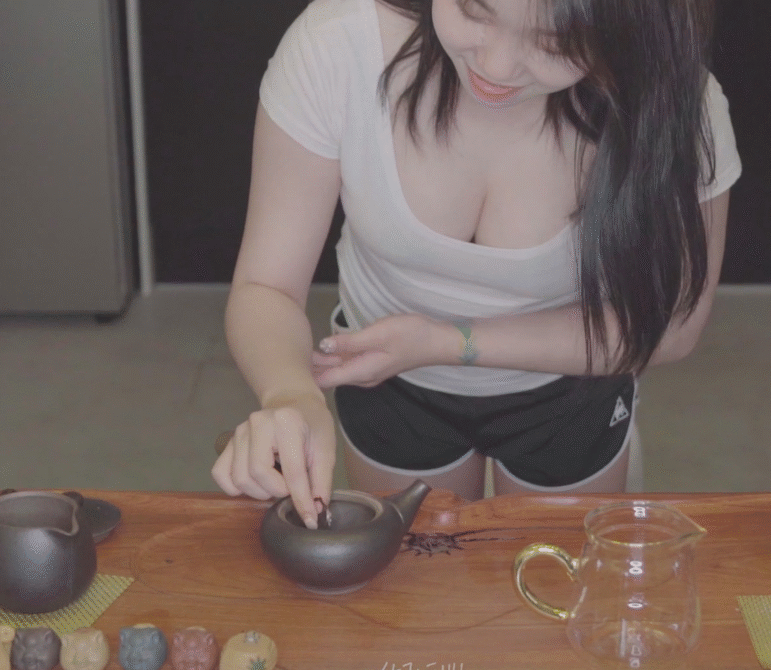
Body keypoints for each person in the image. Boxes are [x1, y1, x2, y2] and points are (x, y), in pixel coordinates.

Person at [211, 0, 742, 528]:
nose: (497, 67)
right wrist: (291, 393)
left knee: (557, 573)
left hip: (573, 383)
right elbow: (266, 286)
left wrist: (448, 342)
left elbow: (672, 327)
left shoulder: (675, 102)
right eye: (475, 11)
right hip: (383, 378)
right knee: (417, 570)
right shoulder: (337, 44)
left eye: (554, 43)